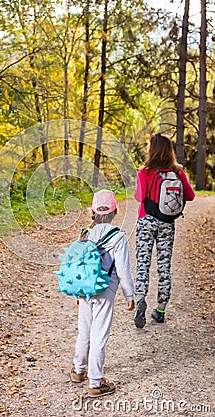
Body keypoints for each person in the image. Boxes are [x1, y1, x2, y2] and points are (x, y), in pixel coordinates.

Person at [70, 189, 135, 397]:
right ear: (115, 211)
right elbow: (123, 269)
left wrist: (77, 294)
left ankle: (78, 371)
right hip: (106, 290)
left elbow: (77, 267)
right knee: (99, 334)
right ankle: (96, 383)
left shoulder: (85, 234)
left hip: (85, 289)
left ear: (93, 211)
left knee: (84, 331)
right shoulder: (118, 237)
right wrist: (129, 295)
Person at [134, 133, 195, 328]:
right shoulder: (177, 171)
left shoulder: (145, 171)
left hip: (145, 220)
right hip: (167, 223)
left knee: (143, 263)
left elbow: (139, 197)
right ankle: (160, 309)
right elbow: (191, 196)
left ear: (152, 149)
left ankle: (141, 300)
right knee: (164, 266)